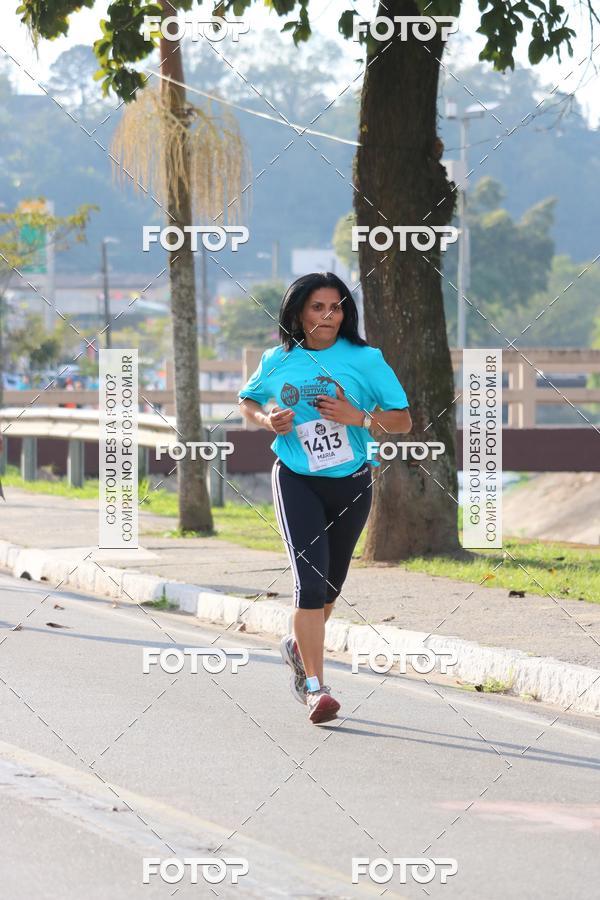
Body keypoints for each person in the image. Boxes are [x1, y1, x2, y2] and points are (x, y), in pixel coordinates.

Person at [238, 272, 412, 724]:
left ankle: (297, 647)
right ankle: (316, 688)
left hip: (351, 481)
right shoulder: (277, 360)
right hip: (297, 478)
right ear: (298, 312)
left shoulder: (366, 359)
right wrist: (266, 418)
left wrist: (359, 416)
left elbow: (403, 421)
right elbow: (248, 401)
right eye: (318, 307)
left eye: (336, 308)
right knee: (310, 584)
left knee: (331, 587)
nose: (328, 316)